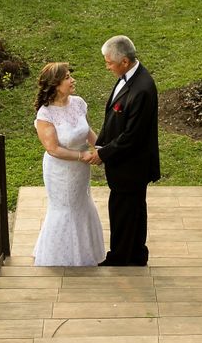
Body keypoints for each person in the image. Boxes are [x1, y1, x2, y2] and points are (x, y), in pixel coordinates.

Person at [89, 35, 160, 267]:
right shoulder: (129, 78)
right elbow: (115, 117)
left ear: (125, 61)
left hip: (132, 165)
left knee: (124, 211)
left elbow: (132, 136)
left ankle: (121, 257)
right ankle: (136, 254)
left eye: (109, 62)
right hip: (126, 164)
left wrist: (103, 153)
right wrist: (102, 144)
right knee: (131, 211)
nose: (107, 66)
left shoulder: (142, 89)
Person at [32, 62, 105, 266]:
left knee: (81, 205)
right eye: (67, 78)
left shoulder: (78, 103)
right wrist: (83, 156)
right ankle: (58, 257)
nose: (72, 80)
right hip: (60, 172)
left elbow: (87, 131)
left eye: (70, 76)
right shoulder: (45, 114)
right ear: (55, 84)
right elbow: (53, 148)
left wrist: (101, 150)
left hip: (80, 171)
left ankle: (83, 253)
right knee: (65, 208)